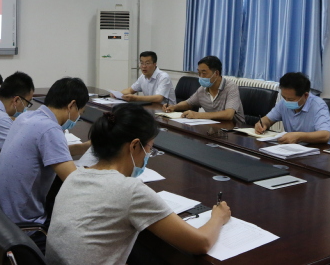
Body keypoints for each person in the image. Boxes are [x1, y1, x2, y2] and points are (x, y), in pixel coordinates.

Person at [45, 104, 232, 265]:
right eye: (150, 148)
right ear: (134, 146)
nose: (149, 154)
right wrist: (218, 217)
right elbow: (201, 243)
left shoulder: (76, 175)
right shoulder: (130, 190)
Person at [0, 77, 92, 253]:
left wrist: (83, 147)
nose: (78, 118)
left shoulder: (26, 117)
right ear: (72, 105)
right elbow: (75, 182)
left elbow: (49, 150)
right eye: (80, 112)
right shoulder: (50, 130)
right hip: (24, 228)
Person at [255, 72, 330, 145]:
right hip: (295, 149)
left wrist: (298, 136)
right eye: (284, 97)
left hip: (321, 151)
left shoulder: (318, 105)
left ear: (305, 95)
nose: (286, 101)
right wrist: (262, 124)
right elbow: (268, 120)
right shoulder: (283, 103)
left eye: (291, 99)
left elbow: (325, 135)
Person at [162, 55, 245, 125]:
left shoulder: (231, 87)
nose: (201, 76)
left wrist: (198, 115)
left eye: (204, 73)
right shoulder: (203, 89)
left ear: (216, 73)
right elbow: (189, 103)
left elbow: (228, 114)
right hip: (214, 127)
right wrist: (174, 107)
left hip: (235, 130)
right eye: (199, 73)